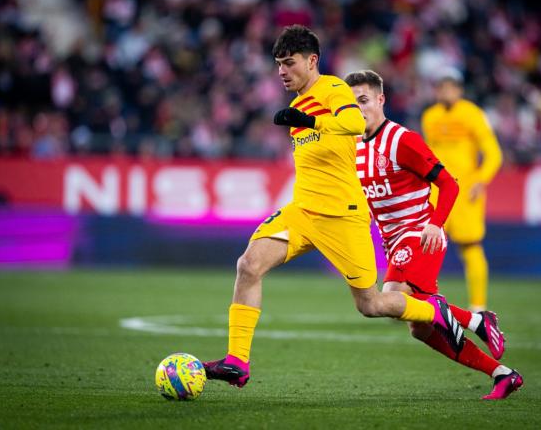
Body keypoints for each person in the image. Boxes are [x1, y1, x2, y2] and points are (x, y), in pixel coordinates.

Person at [202, 25, 465, 388]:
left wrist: (309, 120)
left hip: (343, 215)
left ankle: (436, 312)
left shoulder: (333, 89)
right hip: (304, 211)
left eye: (289, 63)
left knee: (371, 304)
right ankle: (237, 363)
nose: (282, 71)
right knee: (248, 265)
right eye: (278, 64)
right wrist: (303, 118)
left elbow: (354, 122)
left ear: (312, 61)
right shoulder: (297, 103)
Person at [346, 69, 522, 400]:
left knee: (391, 298)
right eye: (351, 103)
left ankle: (476, 319)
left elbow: (449, 183)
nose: (358, 108)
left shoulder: (402, 139)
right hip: (393, 239)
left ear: (380, 100)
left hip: (420, 232)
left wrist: (435, 223)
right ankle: (502, 373)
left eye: (364, 100)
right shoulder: (354, 146)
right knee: (418, 327)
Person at [421, 68, 503, 313]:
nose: (445, 91)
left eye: (450, 86)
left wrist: (481, 179)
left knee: (470, 247)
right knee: (425, 246)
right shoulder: (430, 116)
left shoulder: (472, 114)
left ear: (459, 89)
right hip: (436, 191)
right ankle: (412, 299)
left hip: (466, 192)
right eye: (441, 86)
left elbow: (494, 153)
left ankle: (478, 307)